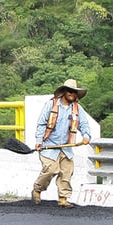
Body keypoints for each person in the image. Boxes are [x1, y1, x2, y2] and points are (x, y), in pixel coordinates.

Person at [32, 79, 92, 209]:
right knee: (51, 170)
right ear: (64, 91)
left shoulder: (77, 108)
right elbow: (41, 123)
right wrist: (38, 141)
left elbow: (84, 124)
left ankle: (63, 199)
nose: (72, 94)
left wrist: (86, 136)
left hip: (66, 147)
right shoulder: (51, 105)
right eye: (70, 91)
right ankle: (37, 189)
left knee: (67, 172)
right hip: (49, 145)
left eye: (75, 92)